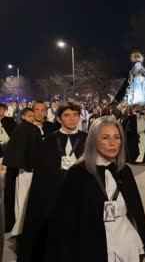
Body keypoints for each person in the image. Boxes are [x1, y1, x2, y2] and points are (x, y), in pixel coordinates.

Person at [50, 116, 145, 261]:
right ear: (94, 141)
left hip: (126, 241)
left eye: (117, 137)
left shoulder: (124, 171)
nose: (113, 143)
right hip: (93, 245)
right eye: (106, 138)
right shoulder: (78, 173)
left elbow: (137, 212)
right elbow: (67, 221)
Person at [17, 102, 87, 261]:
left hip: (81, 196)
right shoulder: (49, 141)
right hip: (53, 197)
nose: (72, 119)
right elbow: (42, 175)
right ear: (59, 118)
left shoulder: (87, 139)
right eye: (67, 115)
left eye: (75, 115)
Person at [3, 108, 42, 234]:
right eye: (30, 116)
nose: (32, 118)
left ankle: (18, 226)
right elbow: (35, 150)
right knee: (26, 197)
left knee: (20, 198)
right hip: (29, 169)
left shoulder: (19, 129)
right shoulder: (33, 129)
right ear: (24, 116)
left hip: (19, 169)